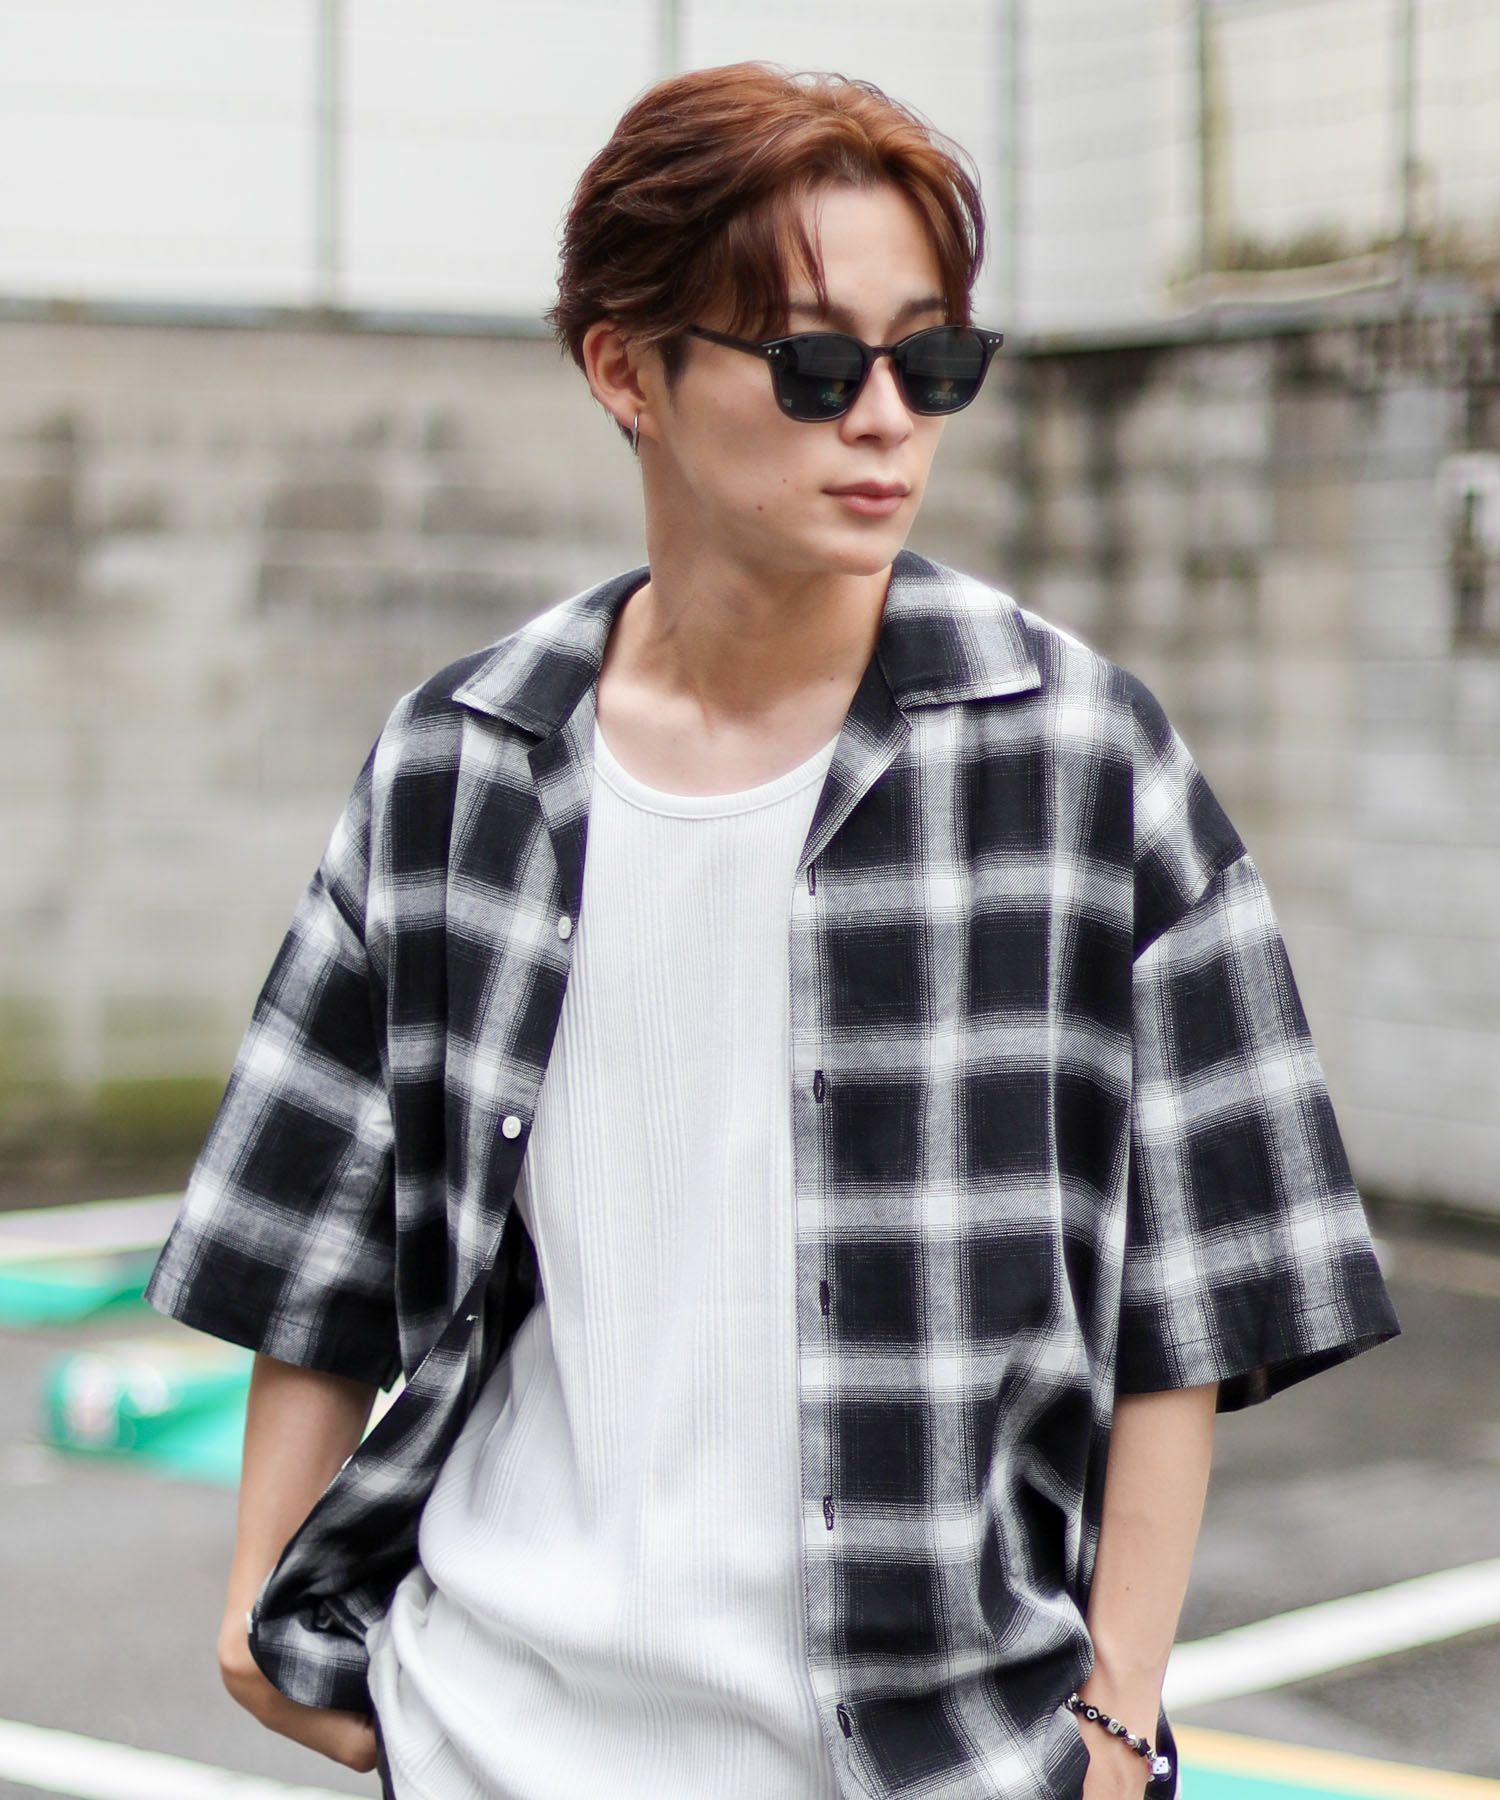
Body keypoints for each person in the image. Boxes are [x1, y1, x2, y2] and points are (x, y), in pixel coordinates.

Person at [143, 60, 1400, 1800]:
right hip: (494, 1733)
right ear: (625, 371)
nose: (885, 419)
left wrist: (1117, 1710)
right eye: (816, 364)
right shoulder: (465, 761)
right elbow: (314, 1232)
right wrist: (259, 1596)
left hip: (938, 1754)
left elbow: (1194, 1281)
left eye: (932, 361)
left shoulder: (1079, 759)